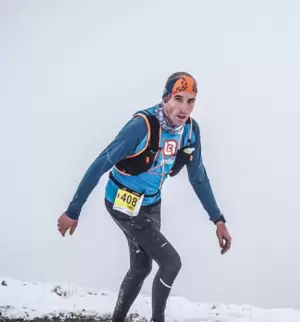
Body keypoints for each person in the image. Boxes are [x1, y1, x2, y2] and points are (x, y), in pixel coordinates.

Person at [57, 72, 232, 322]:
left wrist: (218, 220)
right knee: (171, 263)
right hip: (121, 202)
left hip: (151, 203)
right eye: (178, 99)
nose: (184, 108)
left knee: (141, 267)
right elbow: (100, 164)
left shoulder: (190, 131)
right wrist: (73, 211)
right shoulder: (141, 126)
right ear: (165, 98)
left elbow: (199, 177)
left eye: (191, 101)